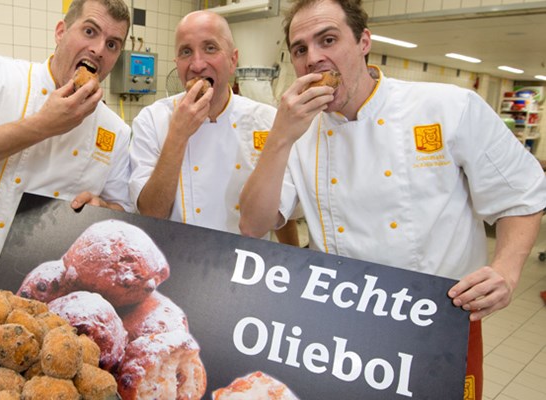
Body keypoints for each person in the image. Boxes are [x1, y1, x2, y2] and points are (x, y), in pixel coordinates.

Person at [238, 0, 545, 398]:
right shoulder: (299, 135)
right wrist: (279, 136)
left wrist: (506, 269)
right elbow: (253, 223)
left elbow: (521, 193)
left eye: (328, 39)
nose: (314, 58)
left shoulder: (447, 107)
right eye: (300, 49)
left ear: (364, 41)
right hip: (343, 324)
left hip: (442, 321)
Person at [0, 0, 132, 296]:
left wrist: (102, 209)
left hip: (40, 298)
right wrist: (42, 125)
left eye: (112, 44)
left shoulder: (115, 131)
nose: (98, 49)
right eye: (90, 31)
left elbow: (119, 210)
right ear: (60, 31)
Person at [129, 10, 299, 243]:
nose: (197, 64)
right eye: (186, 51)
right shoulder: (151, 120)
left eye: (210, 48)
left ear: (233, 60)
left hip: (243, 268)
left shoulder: (268, 122)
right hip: (175, 262)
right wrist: (178, 134)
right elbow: (151, 212)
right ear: (177, 63)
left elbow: (280, 218)